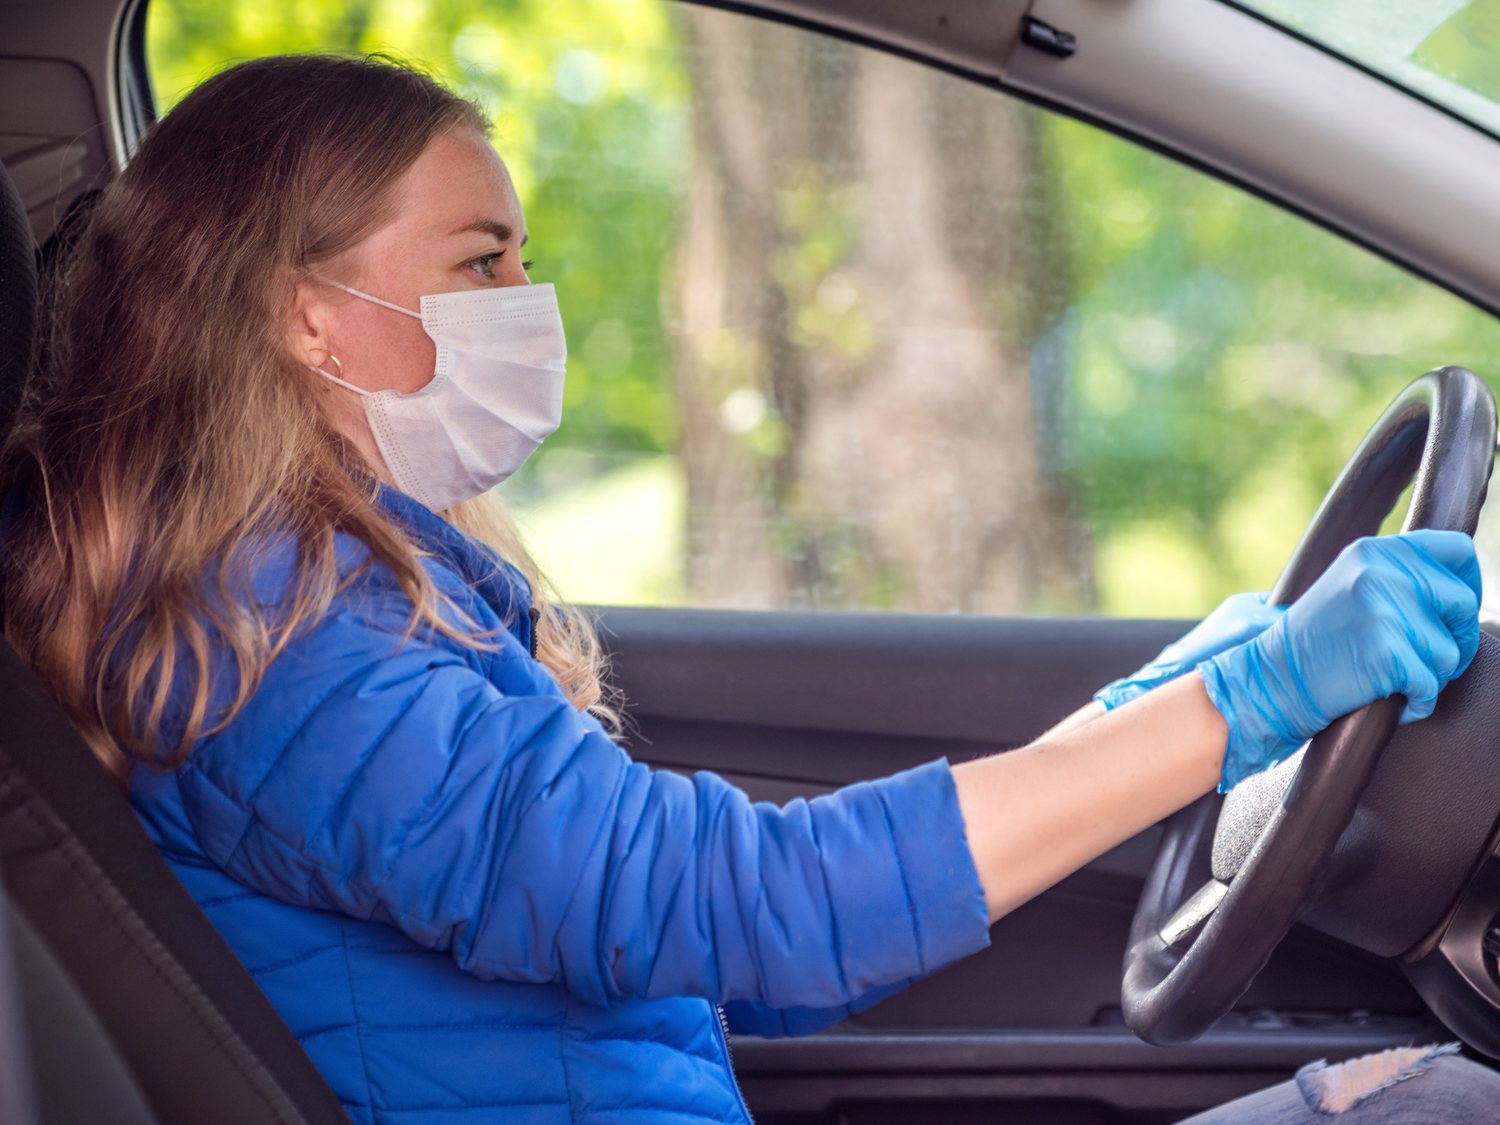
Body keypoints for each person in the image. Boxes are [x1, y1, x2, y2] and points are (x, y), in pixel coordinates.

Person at [2, 51, 1496, 1125]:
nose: (528, 303)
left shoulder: (319, 593)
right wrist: (1241, 706)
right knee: (1427, 1099)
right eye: (480, 259)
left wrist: (1150, 713)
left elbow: (706, 958)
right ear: (312, 320)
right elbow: (738, 904)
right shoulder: (283, 641)